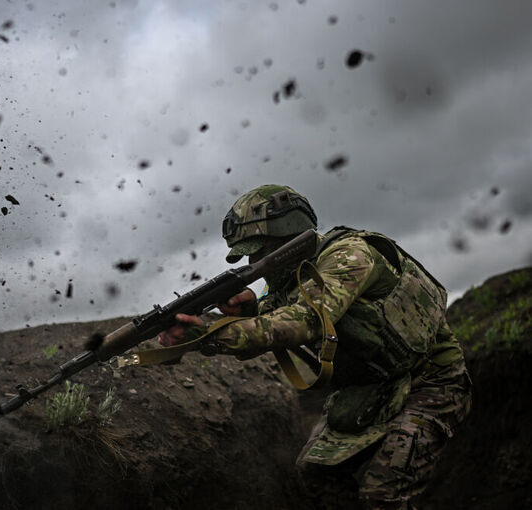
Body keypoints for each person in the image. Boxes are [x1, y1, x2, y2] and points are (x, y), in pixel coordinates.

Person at [158, 185, 472, 510]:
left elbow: (305, 320)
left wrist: (208, 335)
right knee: (316, 476)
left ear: (288, 234)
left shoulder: (350, 255)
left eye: (258, 250)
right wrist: (248, 311)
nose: (253, 261)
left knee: (383, 494)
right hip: (368, 389)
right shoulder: (290, 281)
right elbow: (269, 325)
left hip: (431, 382)